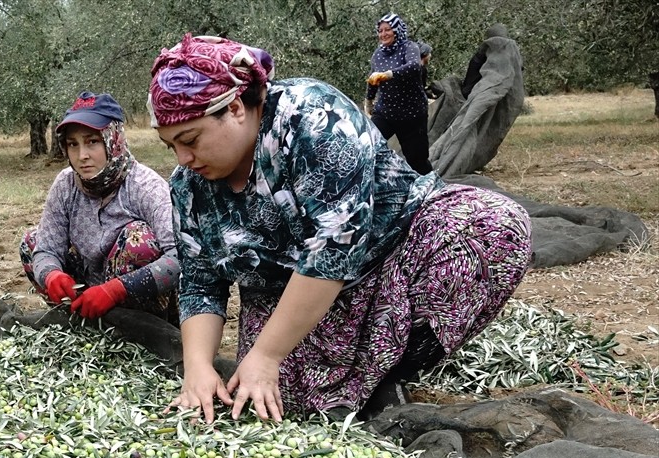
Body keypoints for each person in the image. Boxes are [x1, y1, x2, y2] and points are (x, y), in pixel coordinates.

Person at [148, 34, 531, 423]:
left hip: (393, 255)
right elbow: (200, 282)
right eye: (170, 147)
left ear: (234, 108)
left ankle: (388, 372)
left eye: (190, 140)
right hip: (288, 298)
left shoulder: (314, 118)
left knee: (496, 230)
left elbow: (332, 249)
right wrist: (197, 369)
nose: (183, 158)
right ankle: (352, 379)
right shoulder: (188, 187)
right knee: (283, 401)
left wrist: (266, 355)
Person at [20, 91, 180, 322]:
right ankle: (79, 318)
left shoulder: (145, 186)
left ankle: (132, 329)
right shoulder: (66, 184)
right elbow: (46, 249)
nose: (82, 155)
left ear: (113, 139)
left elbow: (180, 257)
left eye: (92, 142)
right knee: (31, 243)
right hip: (87, 290)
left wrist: (116, 290)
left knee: (139, 241)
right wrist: (51, 275)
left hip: (134, 299)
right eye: (73, 144)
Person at [365, 13, 433, 175]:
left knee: (417, 160)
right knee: (367, 145)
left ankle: (432, 189)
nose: (383, 34)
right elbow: (374, 78)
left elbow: (414, 67)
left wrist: (389, 74)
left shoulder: (409, 48)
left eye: (387, 29)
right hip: (385, 113)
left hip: (411, 115)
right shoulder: (378, 54)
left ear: (397, 30)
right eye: (380, 31)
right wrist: (368, 100)